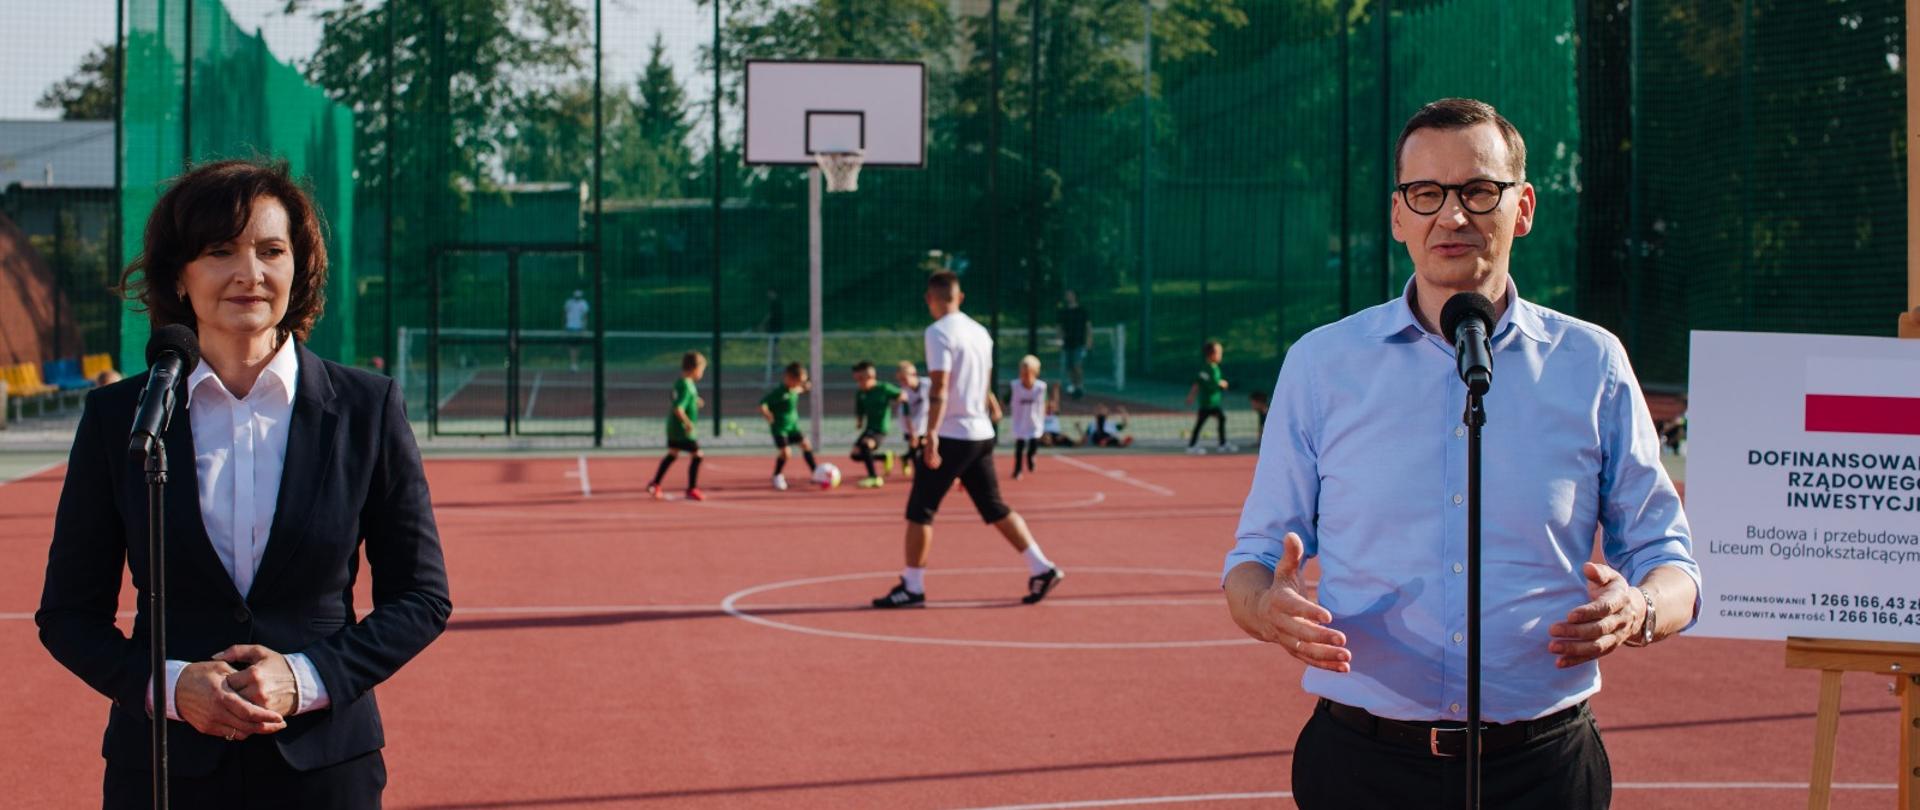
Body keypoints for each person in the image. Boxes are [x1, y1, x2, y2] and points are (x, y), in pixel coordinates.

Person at [1221, 98, 1700, 809]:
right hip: (1363, 764)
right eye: (1426, 194)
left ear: (1524, 206)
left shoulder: (1591, 363)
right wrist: (1268, 608)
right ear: (1397, 216)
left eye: (1479, 191)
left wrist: (1639, 609)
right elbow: (1251, 563)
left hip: (1544, 768)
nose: (1452, 216)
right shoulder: (1323, 365)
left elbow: (1672, 563)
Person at [37, 159, 452, 807]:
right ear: (180, 273)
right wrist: (169, 688)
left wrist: (306, 677)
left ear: (298, 269)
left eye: (271, 250)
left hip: (324, 768)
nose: (248, 273)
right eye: (219, 250)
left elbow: (421, 597)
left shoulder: (368, 409)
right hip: (163, 769)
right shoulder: (119, 418)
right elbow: (68, 614)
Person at [873, 272, 1063, 609]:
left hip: (953, 434)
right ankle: (1042, 566)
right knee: (994, 506)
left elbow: (941, 387)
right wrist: (987, 406)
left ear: (929, 299)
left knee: (920, 511)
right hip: (981, 434)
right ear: (960, 297)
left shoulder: (937, 333)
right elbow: (983, 381)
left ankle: (912, 586)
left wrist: (930, 433)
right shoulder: (980, 332)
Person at [647, 351, 707, 501]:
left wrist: (695, 400)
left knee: (673, 454)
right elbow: (678, 408)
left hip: (673, 428)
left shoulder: (681, 382)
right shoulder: (687, 386)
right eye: (702, 370)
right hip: (682, 430)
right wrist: (687, 423)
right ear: (695, 369)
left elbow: (680, 398)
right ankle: (692, 488)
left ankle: (655, 483)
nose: (702, 373)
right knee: (698, 455)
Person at [759, 362, 818, 491]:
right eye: (799, 381)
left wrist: (806, 387)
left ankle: (816, 472)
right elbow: (763, 403)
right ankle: (777, 476)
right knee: (786, 453)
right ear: (789, 378)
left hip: (793, 427)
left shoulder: (794, 389)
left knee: (806, 445)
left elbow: (800, 389)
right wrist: (767, 414)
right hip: (779, 429)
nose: (801, 383)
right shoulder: (779, 392)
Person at [850, 360, 905, 488]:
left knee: (866, 445)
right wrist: (859, 421)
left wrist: (901, 399)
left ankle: (874, 477)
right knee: (855, 455)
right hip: (869, 428)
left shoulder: (883, 388)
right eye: (856, 380)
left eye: (860, 379)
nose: (858, 383)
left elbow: (901, 394)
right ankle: (885, 457)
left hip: (880, 429)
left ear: (870, 377)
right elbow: (860, 410)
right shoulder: (861, 393)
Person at [1185, 340, 1233, 454]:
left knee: (1221, 419)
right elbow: (1209, 383)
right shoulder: (1210, 369)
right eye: (1219, 352)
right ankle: (1192, 446)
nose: (1221, 355)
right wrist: (1223, 383)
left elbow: (1198, 383)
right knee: (1202, 423)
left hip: (1213, 403)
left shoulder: (1208, 368)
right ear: (1211, 354)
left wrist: (1191, 396)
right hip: (1208, 403)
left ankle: (1222, 444)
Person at [1006, 355, 1049, 479]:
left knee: (1033, 445)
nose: (1025, 375)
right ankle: (1017, 470)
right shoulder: (1015, 386)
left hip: (1034, 421)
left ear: (1035, 372)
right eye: (1023, 372)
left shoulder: (1041, 387)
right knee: (1019, 447)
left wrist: (1045, 414)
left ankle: (1031, 457)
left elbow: (1045, 403)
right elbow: (1006, 399)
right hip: (1020, 421)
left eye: (1028, 372)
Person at [895, 360, 930, 479]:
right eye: (900, 380)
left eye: (904, 379)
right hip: (909, 424)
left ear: (914, 374)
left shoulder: (928, 384)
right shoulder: (904, 391)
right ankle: (919, 476)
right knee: (915, 447)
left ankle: (905, 458)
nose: (902, 382)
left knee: (925, 447)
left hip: (925, 422)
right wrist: (912, 433)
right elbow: (906, 414)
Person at [1057, 290, 1091, 398]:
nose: (1069, 297)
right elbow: (1060, 327)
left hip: (1079, 342)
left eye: (1071, 295)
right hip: (1068, 343)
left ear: (1075, 296)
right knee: (1070, 366)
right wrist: (1059, 339)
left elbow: (1088, 327)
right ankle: (1074, 385)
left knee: (1077, 365)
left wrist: (1089, 340)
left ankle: (1080, 386)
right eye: (1067, 295)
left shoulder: (1082, 311)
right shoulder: (1064, 312)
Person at [563, 288, 589, 372]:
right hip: (570, 327)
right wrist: (565, 326)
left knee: (577, 347)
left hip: (579, 328)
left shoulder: (583, 303)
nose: (577, 297)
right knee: (572, 346)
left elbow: (585, 317)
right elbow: (565, 314)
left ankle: (575, 363)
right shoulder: (569, 302)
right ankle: (573, 364)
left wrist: (584, 328)